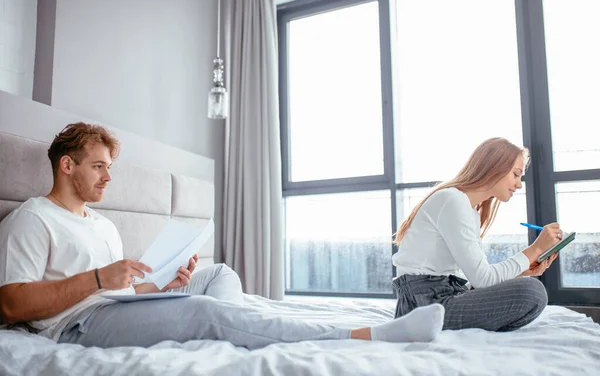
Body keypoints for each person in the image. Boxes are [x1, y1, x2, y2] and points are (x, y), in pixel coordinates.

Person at [0, 122, 445, 349]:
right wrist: (98, 279)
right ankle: (361, 337)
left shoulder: (103, 225)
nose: (108, 177)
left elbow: (126, 292)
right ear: (67, 165)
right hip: (77, 326)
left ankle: (237, 336)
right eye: (99, 166)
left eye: (109, 168)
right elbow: (11, 303)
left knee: (216, 275)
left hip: (114, 305)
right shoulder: (33, 218)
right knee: (203, 310)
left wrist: (163, 284)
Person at [392, 137, 561, 332]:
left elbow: (480, 278)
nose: (519, 184)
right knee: (533, 291)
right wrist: (536, 249)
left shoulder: (469, 209)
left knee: (531, 289)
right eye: (516, 174)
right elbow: (483, 280)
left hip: (443, 295)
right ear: (494, 167)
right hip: (424, 304)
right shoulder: (452, 200)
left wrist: (522, 270)